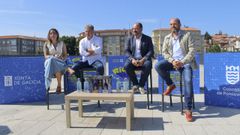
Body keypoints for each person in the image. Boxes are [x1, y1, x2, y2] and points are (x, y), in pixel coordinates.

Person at [155, 18, 197, 122]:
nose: (172, 26)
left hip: (185, 63)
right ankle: (171, 84)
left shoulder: (187, 35)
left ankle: (188, 109)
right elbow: (164, 52)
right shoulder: (167, 38)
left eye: (175, 24)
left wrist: (182, 62)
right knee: (158, 66)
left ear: (179, 25)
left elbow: (192, 51)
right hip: (173, 62)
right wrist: (173, 61)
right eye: (171, 24)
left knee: (188, 81)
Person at [124, 22, 154, 94]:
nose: (134, 30)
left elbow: (151, 51)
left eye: (136, 29)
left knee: (148, 65)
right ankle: (135, 84)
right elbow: (126, 51)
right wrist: (132, 59)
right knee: (126, 66)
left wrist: (143, 59)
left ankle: (141, 85)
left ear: (141, 29)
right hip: (133, 59)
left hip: (144, 59)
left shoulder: (148, 38)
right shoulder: (129, 39)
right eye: (133, 29)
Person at [43, 28, 74, 93]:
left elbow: (65, 55)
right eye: (51, 33)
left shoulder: (62, 43)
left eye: (54, 33)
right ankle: (67, 68)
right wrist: (53, 57)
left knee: (57, 70)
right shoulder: (46, 44)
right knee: (52, 59)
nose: (53, 35)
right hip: (49, 63)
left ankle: (58, 85)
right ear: (49, 35)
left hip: (59, 64)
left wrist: (62, 58)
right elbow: (46, 56)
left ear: (57, 34)